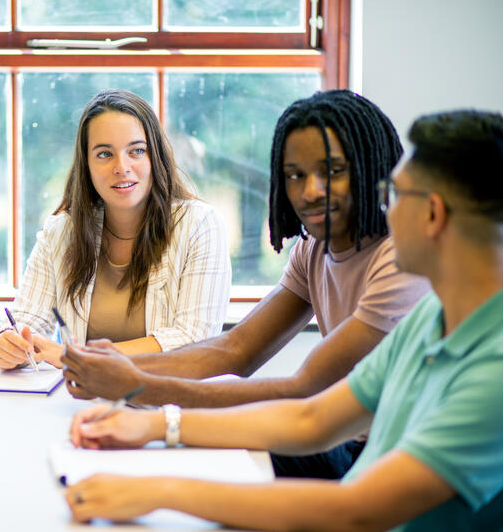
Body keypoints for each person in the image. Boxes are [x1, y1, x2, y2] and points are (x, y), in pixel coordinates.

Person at [65, 109, 503, 532]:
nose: (385, 209)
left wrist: (159, 490)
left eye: (394, 194)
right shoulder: (432, 316)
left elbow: (356, 511)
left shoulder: (493, 373)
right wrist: (152, 424)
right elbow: (310, 419)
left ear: (432, 214)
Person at [0, 89, 230, 369]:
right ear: (86, 164)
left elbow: (193, 339)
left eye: (136, 151)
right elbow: (25, 320)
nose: (121, 167)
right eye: (104, 154)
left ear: (155, 157)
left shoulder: (200, 225)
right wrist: (6, 341)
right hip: (82, 402)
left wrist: (80, 358)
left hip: (168, 403)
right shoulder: (62, 231)